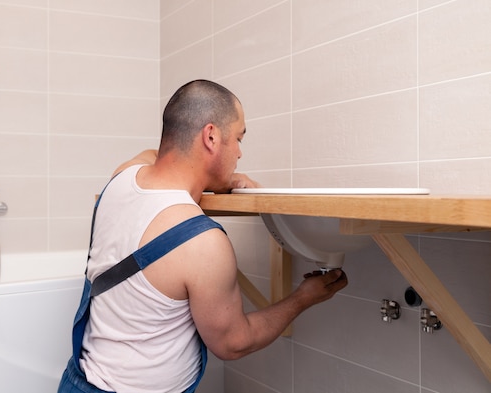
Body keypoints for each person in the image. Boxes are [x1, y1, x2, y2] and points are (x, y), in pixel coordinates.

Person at [57, 79, 348, 393]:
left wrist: (215, 175)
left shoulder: (121, 177)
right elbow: (234, 343)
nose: (239, 153)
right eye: (237, 138)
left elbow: (153, 155)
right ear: (211, 136)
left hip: (77, 381)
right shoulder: (202, 242)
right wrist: (302, 298)